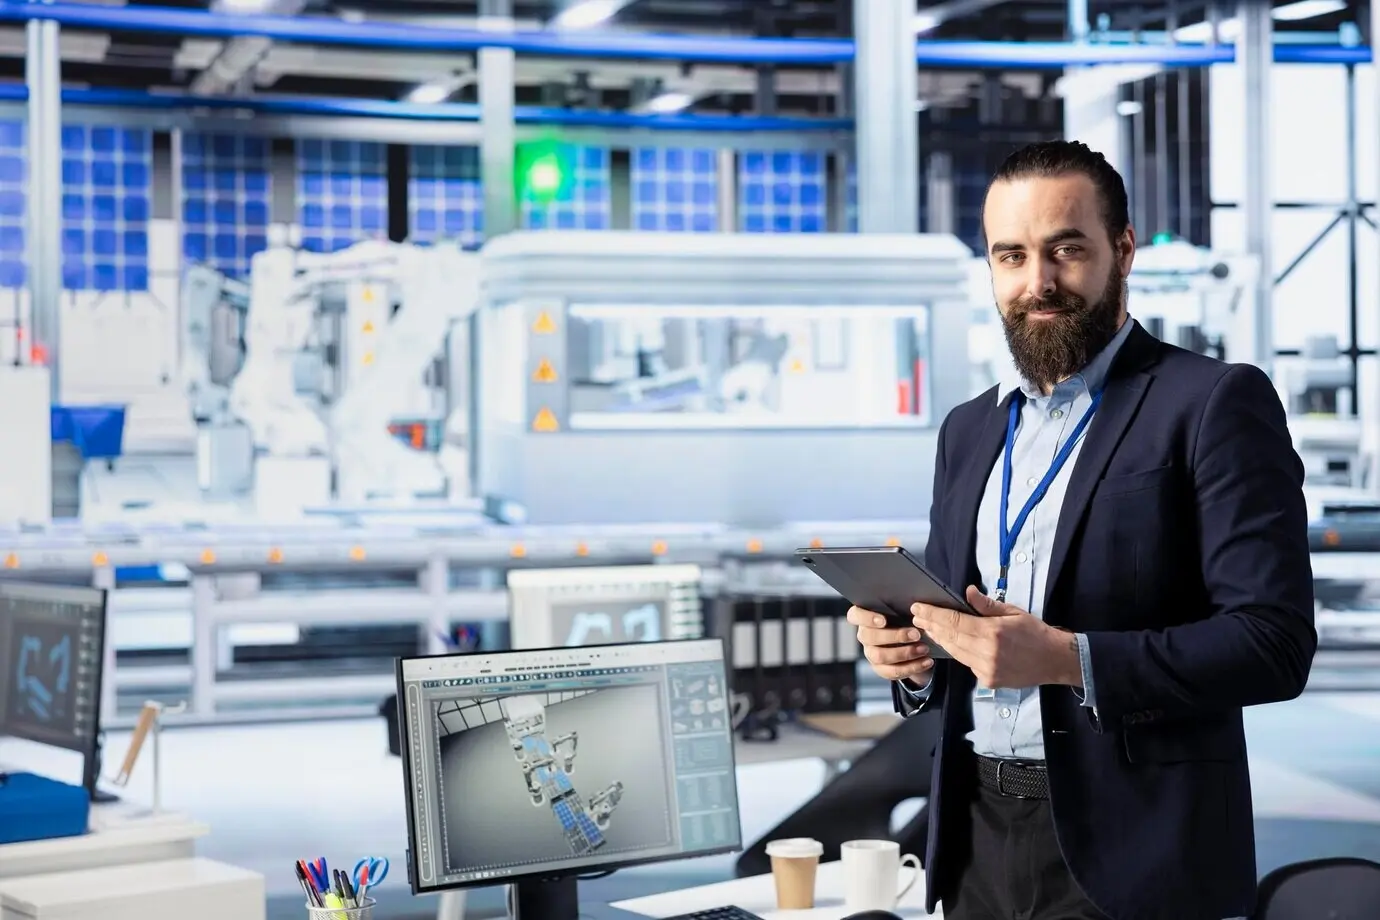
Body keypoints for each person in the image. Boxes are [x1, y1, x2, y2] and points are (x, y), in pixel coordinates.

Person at [847, 140, 1316, 920]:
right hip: (972, 840)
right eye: (1011, 256)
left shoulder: (1211, 403)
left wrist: (1071, 659)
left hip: (1135, 849)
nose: (1038, 283)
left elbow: (1274, 643)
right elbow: (962, 632)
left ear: (1122, 250)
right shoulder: (968, 430)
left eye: (1066, 250)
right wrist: (915, 661)